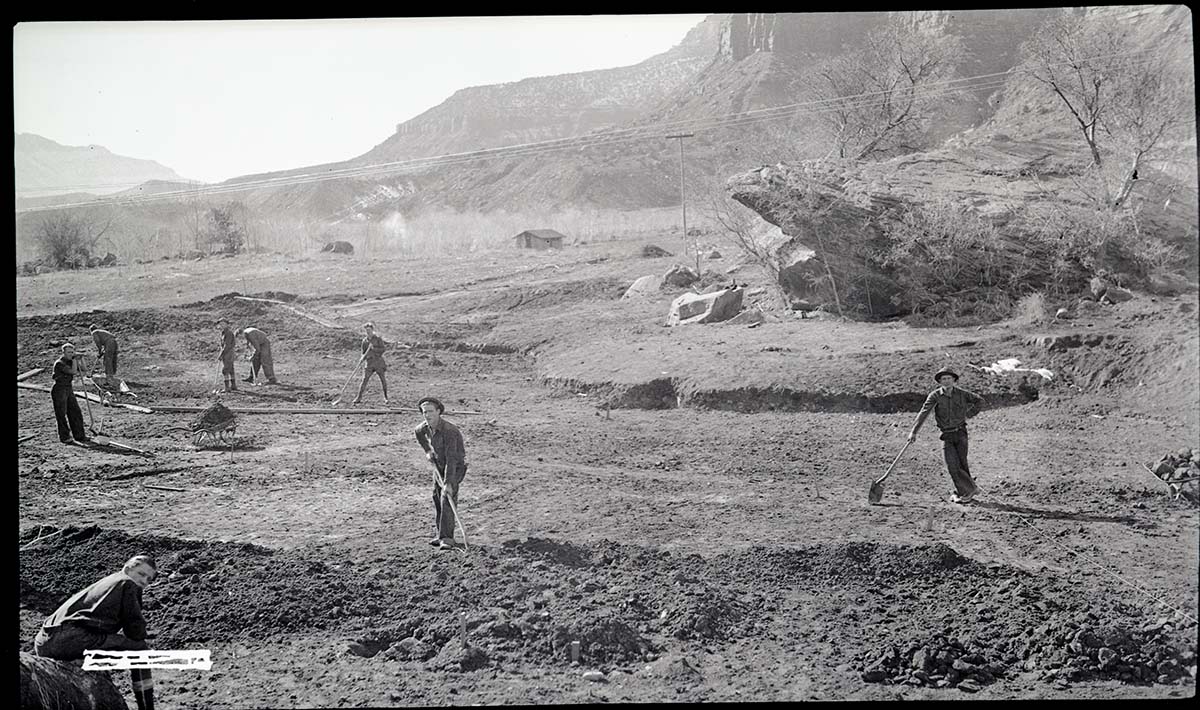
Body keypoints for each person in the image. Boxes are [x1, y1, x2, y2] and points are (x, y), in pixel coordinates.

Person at [33, 555, 158, 710]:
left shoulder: (110, 581)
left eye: (149, 579)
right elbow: (135, 631)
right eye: (141, 574)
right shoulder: (128, 583)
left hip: (44, 640)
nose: (144, 581)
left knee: (109, 643)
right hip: (69, 638)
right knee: (140, 650)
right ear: (127, 569)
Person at [908, 368, 985, 504]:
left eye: (949, 378)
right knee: (951, 465)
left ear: (954, 380)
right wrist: (913, 432)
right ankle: (970, 489)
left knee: (962, 463)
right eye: (943, 379)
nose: (947, 381)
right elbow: (924, 412)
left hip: (961, 433)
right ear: (939, 381)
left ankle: (964, 492)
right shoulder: (935, 396)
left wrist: (969, 414)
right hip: (946, 435)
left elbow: (979, 401)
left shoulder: (962, 394)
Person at [414, 397, 468, 549]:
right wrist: (428, 451)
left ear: (438, 412)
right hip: (438, 465)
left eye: (431, 411)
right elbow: (418, 433)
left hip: (455, 467)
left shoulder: (450, 431)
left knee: (447, 498)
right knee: (437, 498)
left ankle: (447, 539)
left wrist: (448, 483)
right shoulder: (423, 428)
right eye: (425, 412)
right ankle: (440, 535)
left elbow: (452, 458)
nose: (427, 415)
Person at [51, 343, 90, 445]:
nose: (71, 354)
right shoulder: (59, 363)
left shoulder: (70, 361)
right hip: (59, 389)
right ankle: (65, 437)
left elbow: (84, 369)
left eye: (72, 352)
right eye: (69, 352)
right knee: (61, 414)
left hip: (68, 388)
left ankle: (80, 435)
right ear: (63, 353)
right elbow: (73, 372)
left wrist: (81, 358)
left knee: (75, 411)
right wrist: (75, 360)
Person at [353, 322, 389, 405]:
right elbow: (363, 352)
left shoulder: (378, 339)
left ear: (372, 330)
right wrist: (362, 358)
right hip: (369, 363)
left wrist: (374, 348)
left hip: (378, 363)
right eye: (366, 330)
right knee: (364, 380)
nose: (368, 332)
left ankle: (386, 397)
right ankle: (358, 397)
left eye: (369, 330)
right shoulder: (365, 341)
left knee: (383, 380)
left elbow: (383, 349)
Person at [218, 319, 238, 392]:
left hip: (228, 353)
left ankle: (227, 388)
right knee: (231, 369)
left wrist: (221, 354)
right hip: (227, 353)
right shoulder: (223, 333)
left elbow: (227, 345)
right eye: (220, 324)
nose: (222, 325)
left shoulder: (228, 333)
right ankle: (233, 386)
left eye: (223, 324)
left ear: (227, 324)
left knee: (225, 370)